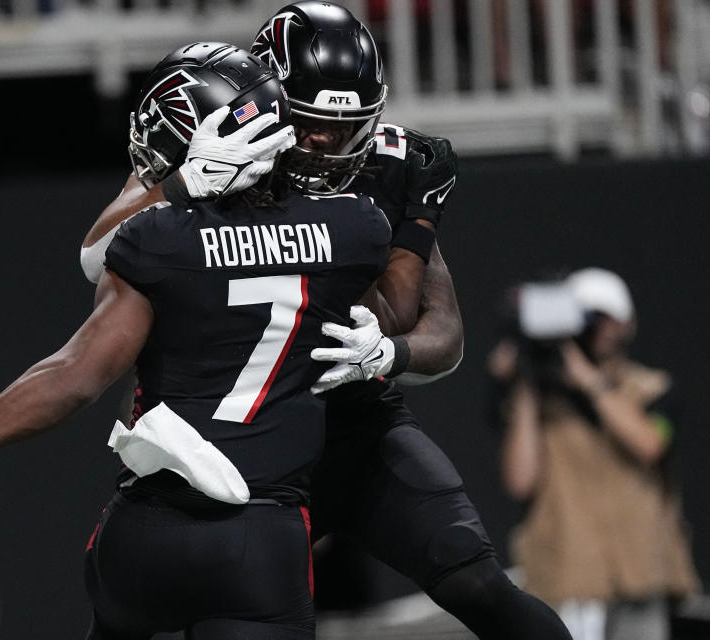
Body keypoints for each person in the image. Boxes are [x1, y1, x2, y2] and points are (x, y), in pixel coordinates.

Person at [0, 43, 394, 640]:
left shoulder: (158, 239)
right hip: (263, 541)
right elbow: (408, 320)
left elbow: (74, 378)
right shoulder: (358, 231)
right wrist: (389, 347)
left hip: (149, 536)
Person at [78, 3, 574, 638]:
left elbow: (441, 331)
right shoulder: (217, 133)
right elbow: (97, 255)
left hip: (349, 429)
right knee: (130, 620)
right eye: (310, 124)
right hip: (223, 443)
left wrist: (390, 352)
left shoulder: (391, 168)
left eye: (345, 128)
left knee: (476, 581)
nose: (324, 143)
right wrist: (188, 180)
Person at [492, 268, 699, 640]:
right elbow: (520, 481)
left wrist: (586, 380)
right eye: (587, 318)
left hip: (641, 571)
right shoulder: (543, 400)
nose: (596, 329)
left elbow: (649, 445)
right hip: (566, 574)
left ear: (628, 323)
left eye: (605, 317)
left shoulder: (653, 389)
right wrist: (527, 384)